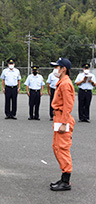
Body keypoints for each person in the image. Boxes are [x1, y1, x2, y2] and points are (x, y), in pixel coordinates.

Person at [49, 58, 75, 191]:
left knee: (62, 148)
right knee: (57, 147)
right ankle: (64, 177)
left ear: (63, 69)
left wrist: (64, 123)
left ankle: (66, 181)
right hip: (59, 117)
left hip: (63, 118)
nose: (55, 69)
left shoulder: (65, 84)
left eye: (57, 67)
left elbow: (68, 105)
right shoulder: (62, 82)